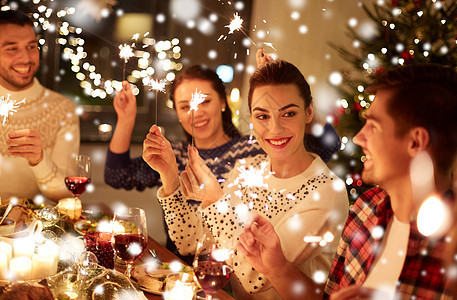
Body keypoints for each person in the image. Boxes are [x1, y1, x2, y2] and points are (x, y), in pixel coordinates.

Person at [237, 63, 457, 300]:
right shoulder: (366, 210)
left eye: (373, 126)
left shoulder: (449, 249)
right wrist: (277, 268)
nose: (360, 137)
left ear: (415, 142)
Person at [145, 59, 349, 299]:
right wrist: (169, 177)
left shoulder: (324, 191)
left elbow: (255, 276)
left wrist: (214, 200)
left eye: (289, 113)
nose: (275, 128)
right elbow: (191, 241)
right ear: (251, 118)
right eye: (263, 116)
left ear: (309, 112)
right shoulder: (248, 168)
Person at [104, 59, 342, 261]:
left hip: (240, 268)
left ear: (222, 102)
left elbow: (327, 144)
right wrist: (126, 119)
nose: (196, 113)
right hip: (181, 267)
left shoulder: (255, 150)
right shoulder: (172, 155)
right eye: (185, 106)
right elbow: (116, 175)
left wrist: (278, 95)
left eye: (204, 101)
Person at [0, 10, 79, 201]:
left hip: (36, 227)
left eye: (31, 46)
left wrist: (39, 161)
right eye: (12, 48)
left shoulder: (62, 110)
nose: (26, 58)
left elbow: (66, 195)